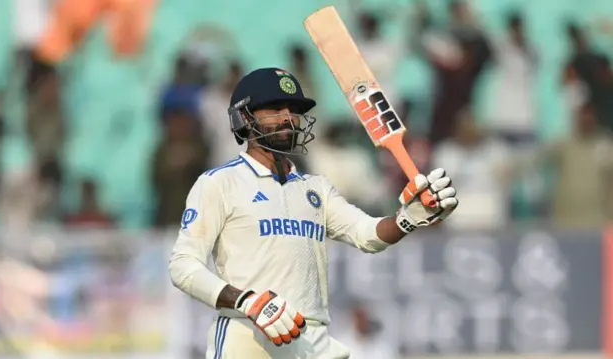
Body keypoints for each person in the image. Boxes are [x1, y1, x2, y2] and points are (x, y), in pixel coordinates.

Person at [168, 68, 459, 358]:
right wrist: (248, 302)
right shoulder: (220, 182)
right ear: (244, 117)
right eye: (275, 108)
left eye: (293, 110)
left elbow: (368, 235)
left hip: (312, 340)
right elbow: (183, 266)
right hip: (249, 334)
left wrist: (407, 218)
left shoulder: (316, 189)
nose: (288, 118)